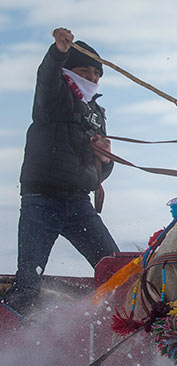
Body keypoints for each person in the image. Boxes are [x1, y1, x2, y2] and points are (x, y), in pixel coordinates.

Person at [2, 27, 119, 316]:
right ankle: (8, 348)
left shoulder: (96, 112)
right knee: (28, 284)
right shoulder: (52, 96)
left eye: (97, 74)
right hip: (41, 201)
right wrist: (59, 51)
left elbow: (97, 176)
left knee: (119, 275)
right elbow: (47, 74)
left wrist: (104, 161)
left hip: (79, 204)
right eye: (85, 71)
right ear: (68, 71)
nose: (92, 77)